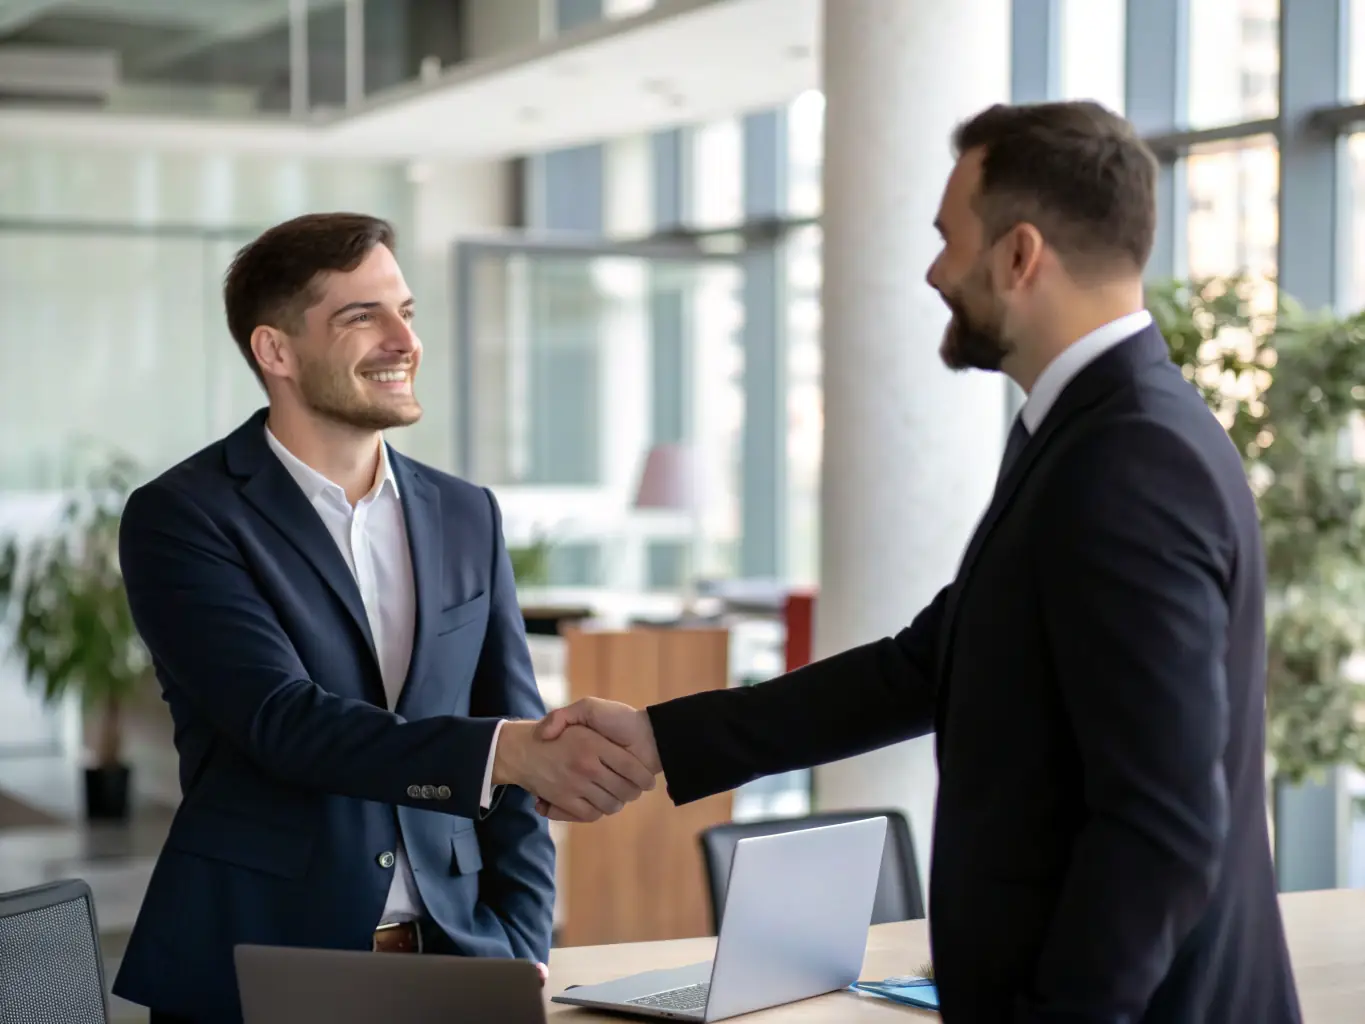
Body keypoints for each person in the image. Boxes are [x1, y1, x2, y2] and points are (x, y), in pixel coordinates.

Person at [538, 103, 1303, 1023]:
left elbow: (1164, 827)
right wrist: (664, 739)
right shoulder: (1103, 431)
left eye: (948, 239)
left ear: (1018, 255)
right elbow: (928, 663)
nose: (934, 270)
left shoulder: (1126, 460)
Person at [113, 213, 656, 1024]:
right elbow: (282, 722)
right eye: (361, 315)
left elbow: (511, 728)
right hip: (262, 968)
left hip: (462, 959)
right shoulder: (184, 517)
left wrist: (522, 940)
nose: (403, 339)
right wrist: (503, 753)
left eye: (405, 310)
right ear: (276, 351)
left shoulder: (467, 514)